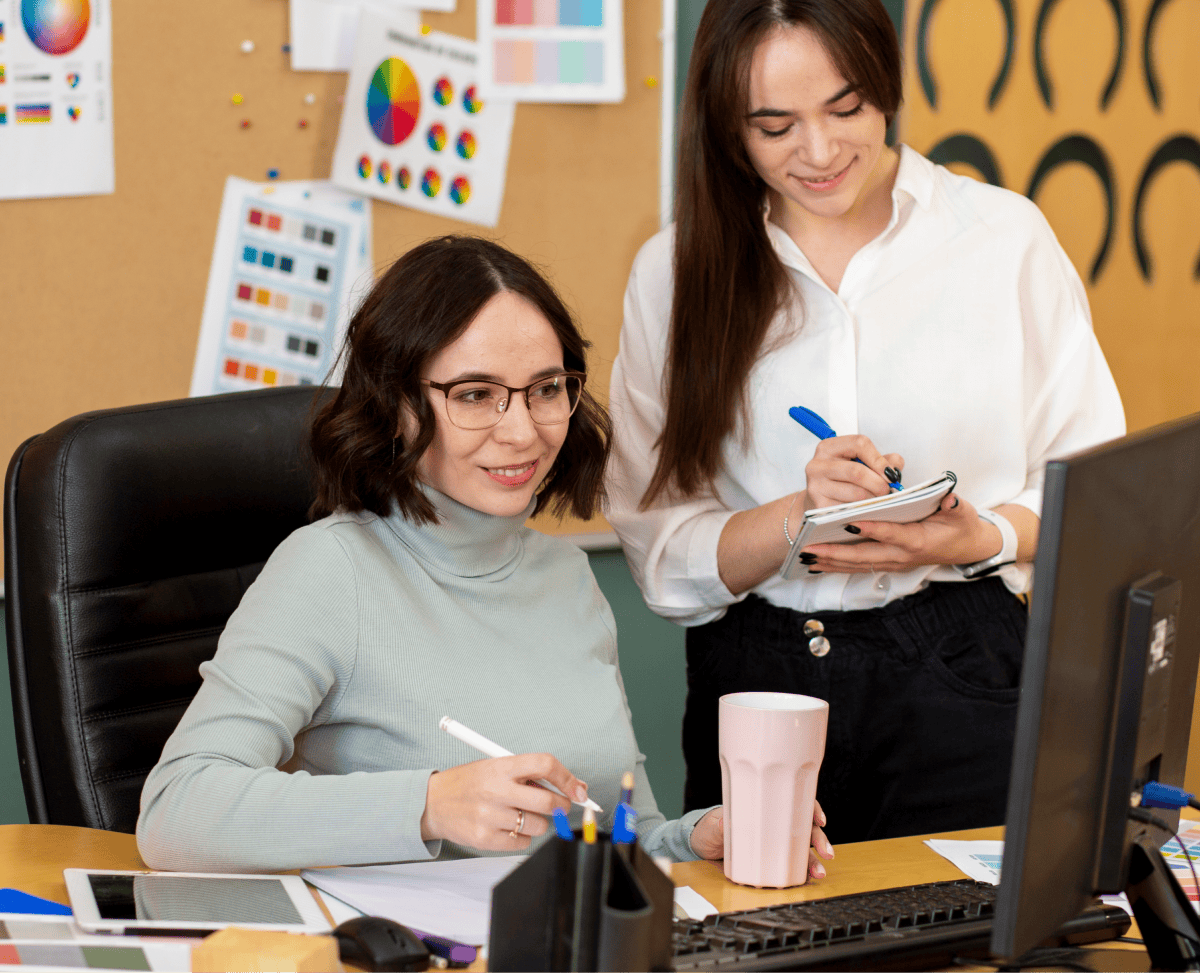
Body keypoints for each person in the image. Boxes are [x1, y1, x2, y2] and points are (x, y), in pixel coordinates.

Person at [137, 236, 834, 878]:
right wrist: (430, 804)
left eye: (546, 388)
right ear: (398, 403)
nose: (522, 429)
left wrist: (694, 836)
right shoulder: (329, 571)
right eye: (475, 394)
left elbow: (617, 833)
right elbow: (176, 808)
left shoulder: (566, 578)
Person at [606, 0, 1125, 845]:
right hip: (759, 681)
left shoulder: (1002, 239)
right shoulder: (674, 272)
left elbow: (1094, 489)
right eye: (774, 127)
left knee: (973, 943)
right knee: (762, 935)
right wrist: (796, 520)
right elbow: (659, 550)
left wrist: (976, 536)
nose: (819, 152)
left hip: (963, 666)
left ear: (885, 85)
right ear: (726, 129)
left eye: (846, 109)